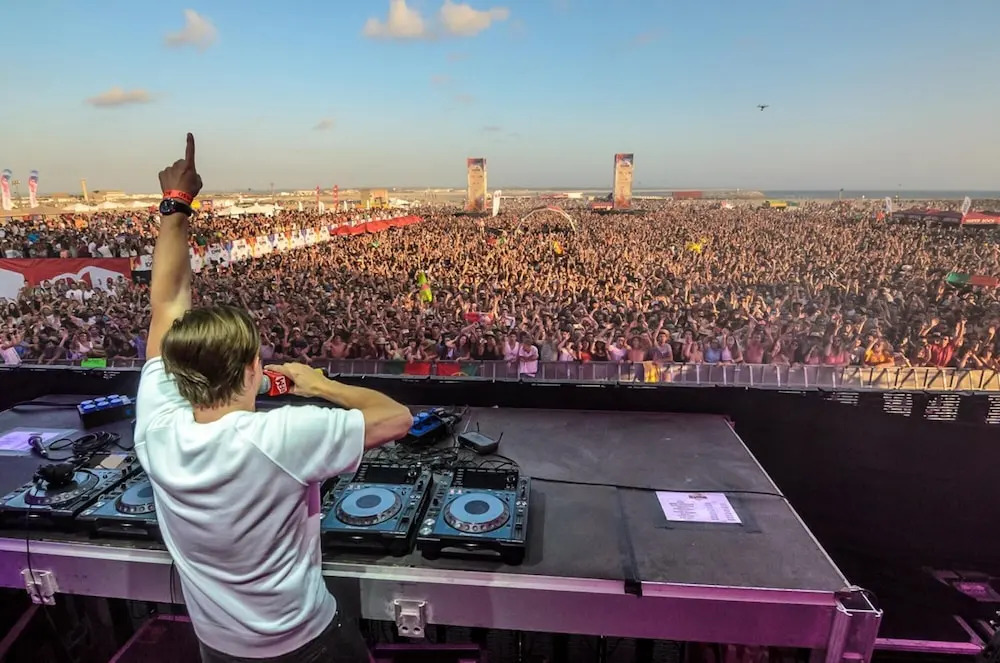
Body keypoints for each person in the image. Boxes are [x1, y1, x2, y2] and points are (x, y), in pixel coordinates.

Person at [134, 134, 411, 663]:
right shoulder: (281, 436)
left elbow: (166, 305)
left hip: (219, 647)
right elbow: (396, 418)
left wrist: (175, 205)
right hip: (306, 642)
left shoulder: (157, 427)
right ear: (251, 369)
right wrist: (316, 384)